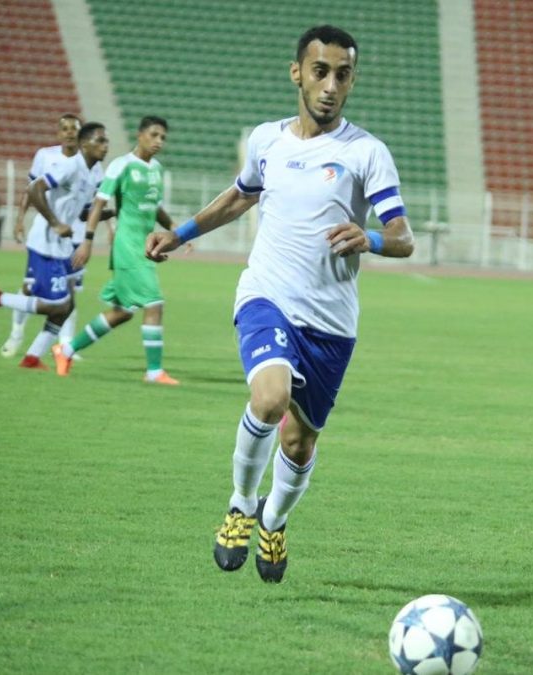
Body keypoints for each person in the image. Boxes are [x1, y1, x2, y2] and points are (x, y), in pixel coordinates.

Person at [145, 25, 414, 583]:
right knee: (268, 399)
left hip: (330, 322)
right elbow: (240, 197)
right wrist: (181, 232)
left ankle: (274, 518)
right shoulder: (267, 140)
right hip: (266, 295)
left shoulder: (366, 152)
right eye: (321, 71)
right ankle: (242, 504)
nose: (331, 85)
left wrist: (371, 238)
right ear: (297, 73)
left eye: (343, 75)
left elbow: (403, 237)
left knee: (299, 440)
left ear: (353, 81)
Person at [52, 116, 179, 385]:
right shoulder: (122, 165)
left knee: (122, 312)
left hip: (144, 249)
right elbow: (99, 205)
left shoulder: (156, 168)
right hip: (127, 248)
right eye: (154, 135)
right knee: (154, 303)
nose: (159, 141)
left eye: (163, 137)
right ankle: (154, 372)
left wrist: (176, 231)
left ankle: (67, 350)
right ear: (140, 135)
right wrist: (87, 240)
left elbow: (154, 207)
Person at [0, 123, 110, 370]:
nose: (105, 146)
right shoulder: (70, 166)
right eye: (100, 140)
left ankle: (32, 357)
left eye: (106, 140)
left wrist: (116, 212)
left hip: (62, 245)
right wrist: (55, 223)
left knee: (66, 305)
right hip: (46, 242)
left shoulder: (92, 173)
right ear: (84, 144)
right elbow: (35, 188)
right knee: (56, 305)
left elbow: (83, 214)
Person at [1, 113, 84, 359]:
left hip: (75, 236)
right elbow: (32, 189)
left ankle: (65, 345)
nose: (70, 133)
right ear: (58, 133)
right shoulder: (46, 156)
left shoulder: (89, 162)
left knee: (69, 293)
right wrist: (20, 219)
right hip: (47, 236)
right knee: (29, 288)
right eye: (65, 128)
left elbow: (93, 200)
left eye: (74, 128)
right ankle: (16, 332)